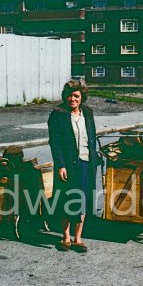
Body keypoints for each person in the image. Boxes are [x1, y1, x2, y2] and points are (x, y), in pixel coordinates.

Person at [48, 79, 99, 253]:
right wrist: (60, 165)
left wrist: (95, 158)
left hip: (86, 163)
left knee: (82, 199)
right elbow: (55, 142)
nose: (72, 99)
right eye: (69, 95)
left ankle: (78, 238)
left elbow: (91, 137)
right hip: (68, 166)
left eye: (76, 96)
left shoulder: (88, 113)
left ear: (82, 97)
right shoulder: (58, 114)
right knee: (67, 199)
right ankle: (66, 237)